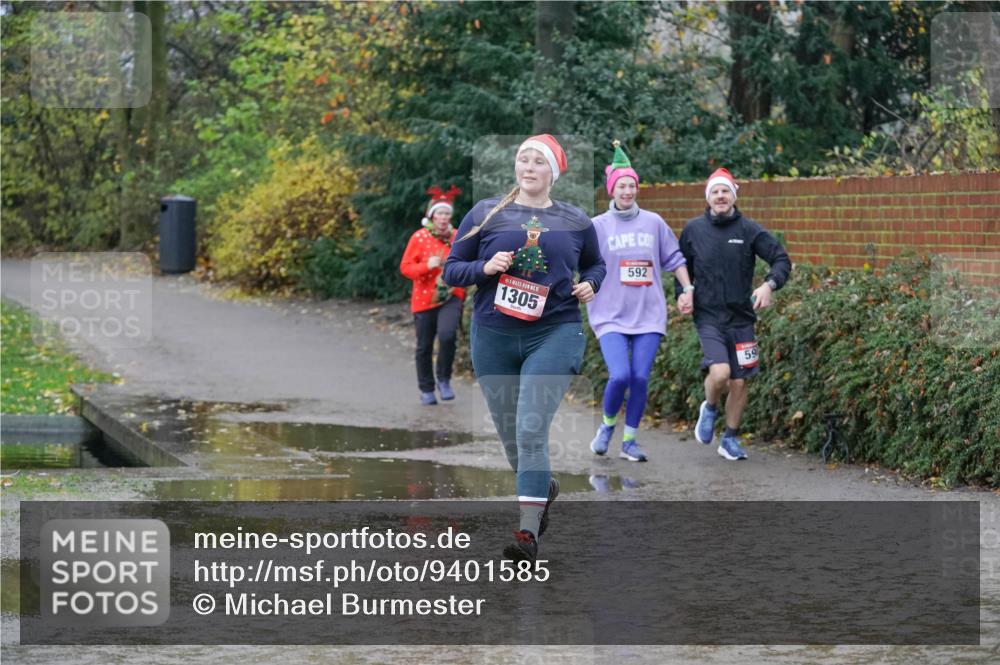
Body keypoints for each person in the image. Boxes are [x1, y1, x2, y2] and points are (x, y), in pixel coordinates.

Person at [444, 134, 606, 561]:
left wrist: (591, 283)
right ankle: (542, 489)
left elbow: (596, 262)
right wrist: (485, 267)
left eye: (538, 161)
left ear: (552, 172)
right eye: (523, 159)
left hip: (554, 331)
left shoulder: (574, 220)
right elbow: (452, 270)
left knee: (530, 428)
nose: (528, 167)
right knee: (512, 439)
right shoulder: (486, 213)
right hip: (493, 335)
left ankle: (526, 534)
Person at [586, 141, 694, 462]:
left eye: (632, 185)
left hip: (648, 313)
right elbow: (585, 263)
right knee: (619, 375)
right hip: (610, 313)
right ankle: (607, 426)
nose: (628, 190)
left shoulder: (654, 222)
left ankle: (630, 440)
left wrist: (687, 289)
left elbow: (674, 258)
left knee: (640, 377)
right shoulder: (597, 226)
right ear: (612, 190)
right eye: (622, 185)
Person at [676, 168, 791, 461]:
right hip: (709, 316)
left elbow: (780, 259)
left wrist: (769, 285)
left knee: (740, 382)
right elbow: (681, 268)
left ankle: (729, 438)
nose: (720, 196)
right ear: (708, 198)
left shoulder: (749, 230)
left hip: (742, 318)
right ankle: (710, 407)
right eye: (715, 192)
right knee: (721, 374)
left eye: (725, 191)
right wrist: (684, 291)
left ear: (733, 196)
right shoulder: (693, 230)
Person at [399, 185, 466, 405]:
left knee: (447, 336)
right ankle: (426, 388)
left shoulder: (458, 237)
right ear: (432, 215)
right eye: (440, 213)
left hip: (451, 295)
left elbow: (467, 262)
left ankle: (444, 379)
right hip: (424, 299)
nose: (444, 217)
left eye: (447, 213)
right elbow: (406, 268)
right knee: (424, 346)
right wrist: (427, 265)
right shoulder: (419, 237)